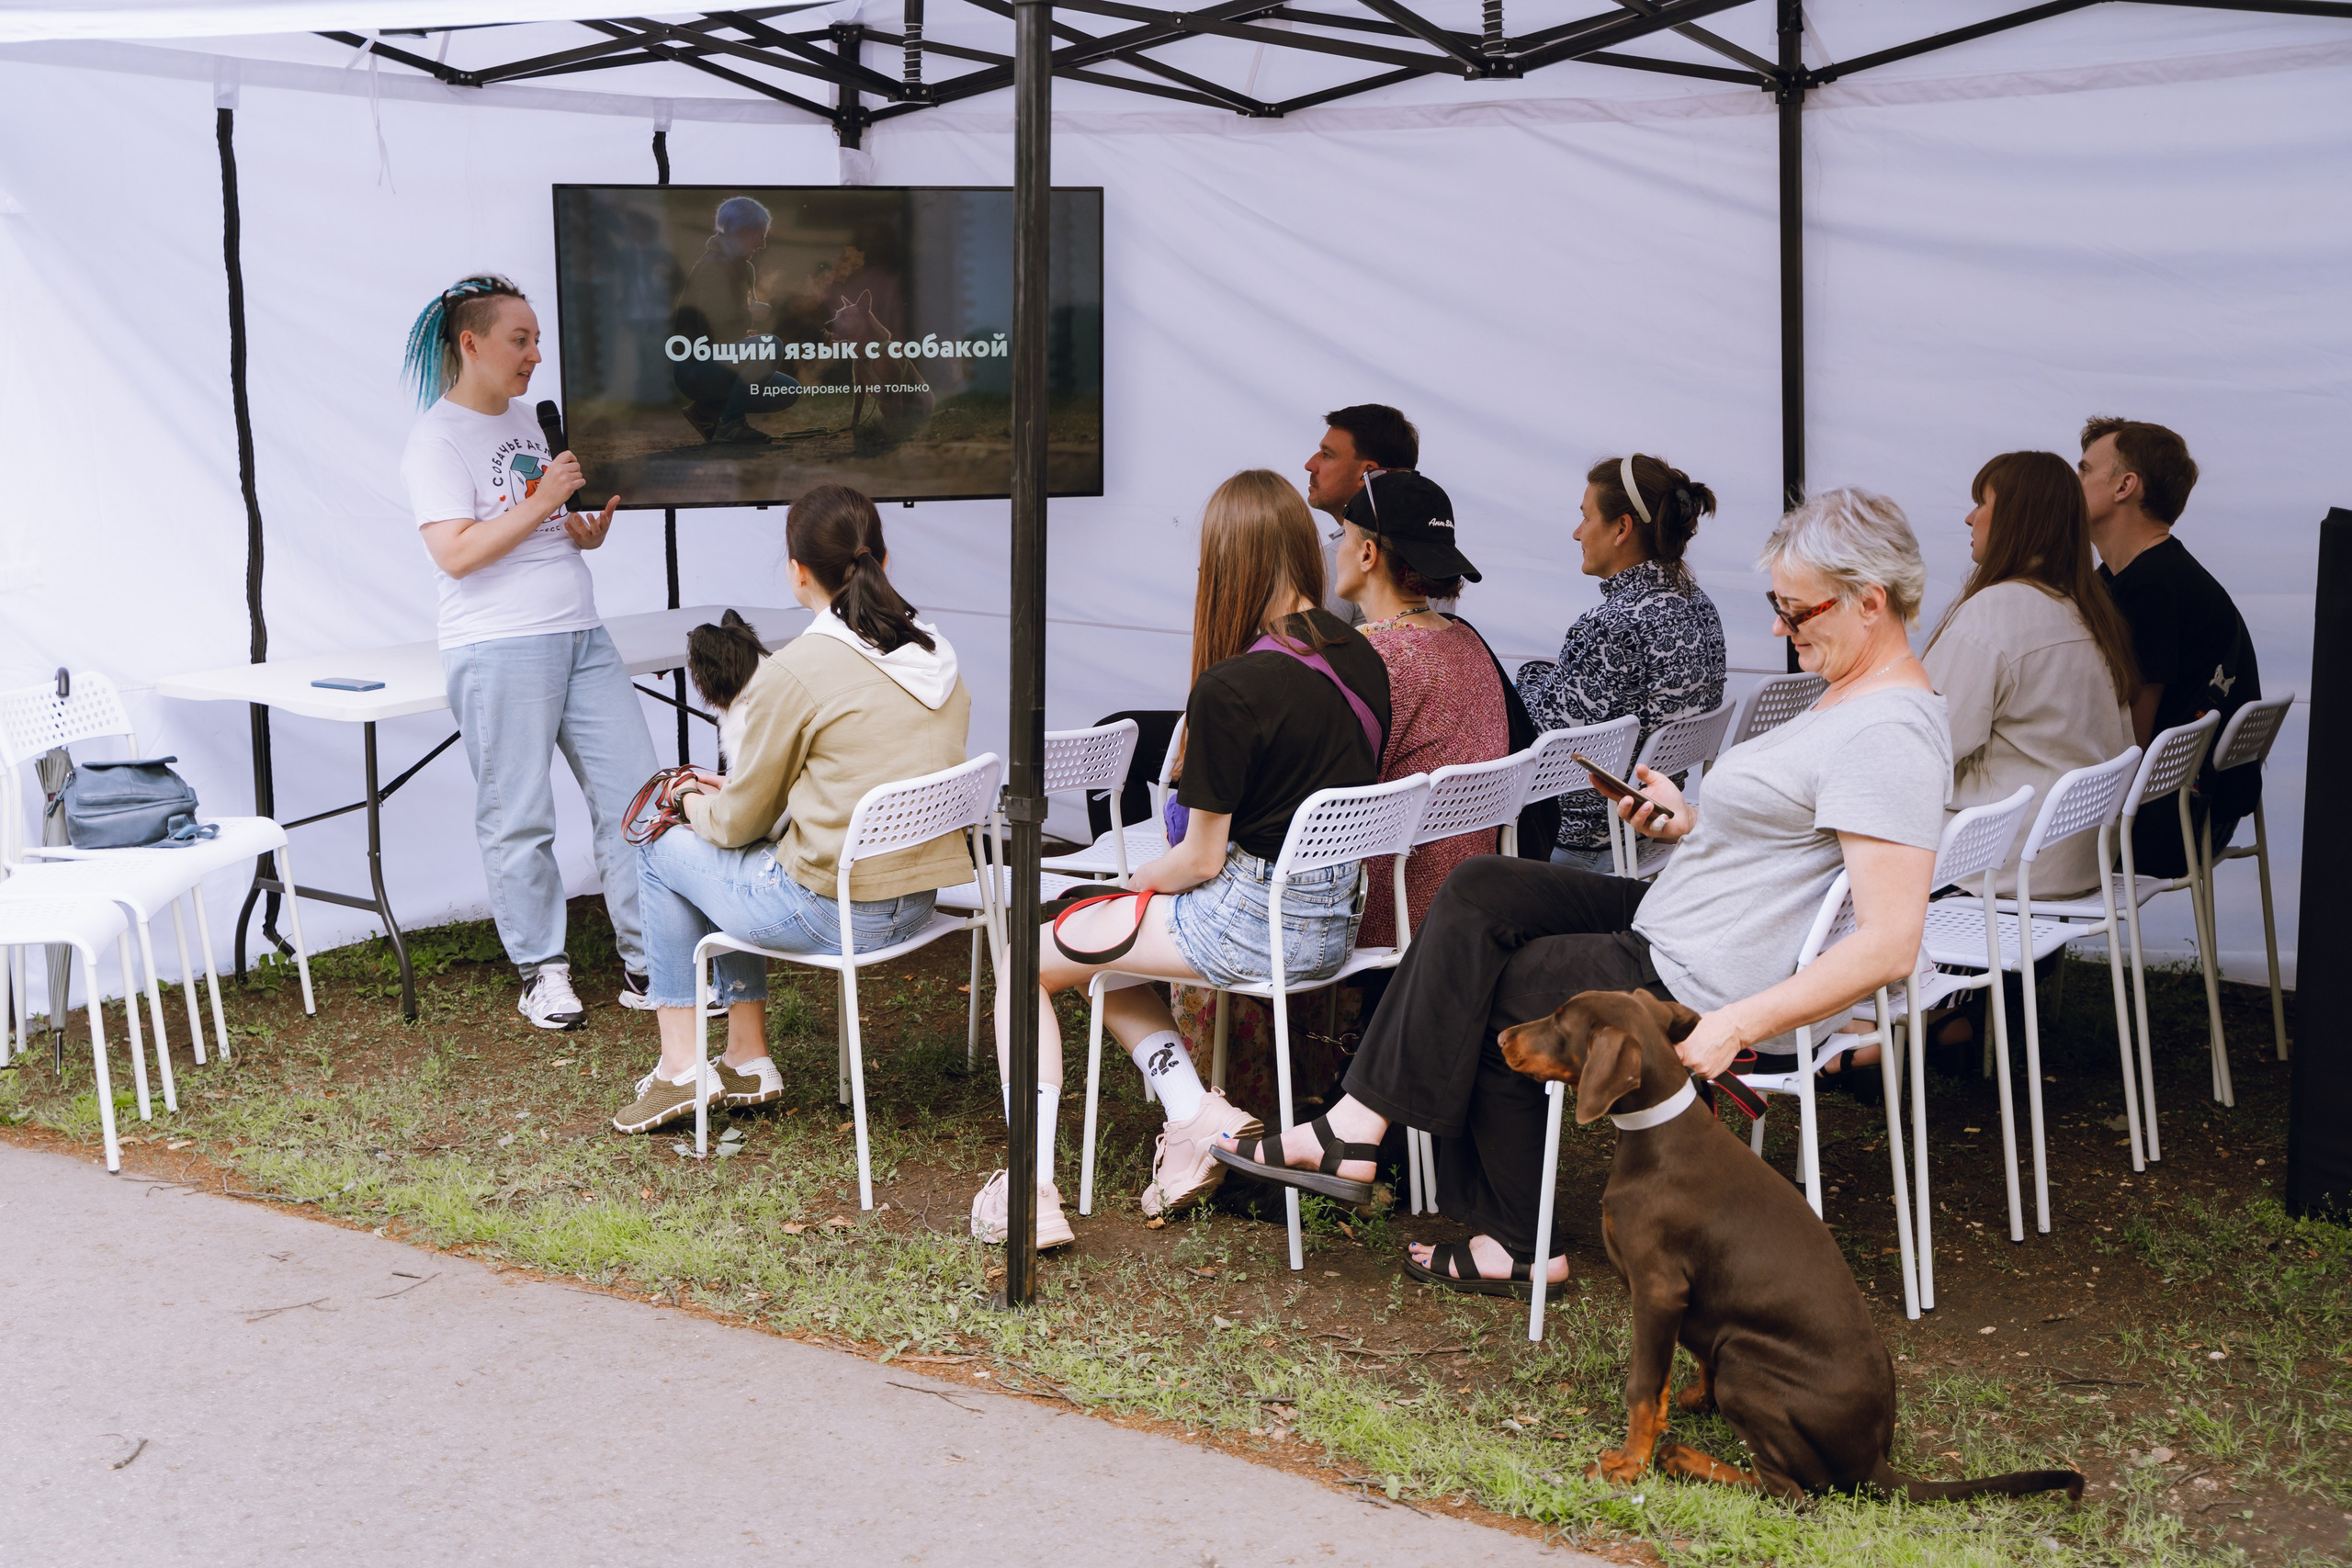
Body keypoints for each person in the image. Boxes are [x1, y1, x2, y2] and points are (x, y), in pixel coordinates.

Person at [1213, 488, 1949, 1293]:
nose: (1779, 627)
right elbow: (1798, 844)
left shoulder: (1890, 733)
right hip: (1677, 915)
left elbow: (1890, 941)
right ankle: (1359, 1125)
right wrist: (1690, 821)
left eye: (1796, 610)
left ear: (1870, 601)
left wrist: (1737, 1022)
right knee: (1478, 885)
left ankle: (1515, 1239)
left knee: (1501, 987)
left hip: (1699, 973)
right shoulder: (1848, 693)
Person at [984, 469, 1393, 1247]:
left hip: (1246, 920)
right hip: (1334, 923)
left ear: (1226, 563)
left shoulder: (1233, 685)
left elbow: (1201, 858)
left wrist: (1137, 884)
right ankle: (1194, 1115)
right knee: (1107, 945)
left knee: (1029, 958)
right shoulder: (1363, 658)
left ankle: (1028, 1183)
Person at [615, 485, 970, 1134]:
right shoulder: (936, 653)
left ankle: (679, 1068)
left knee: (664, 847)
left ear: (797, 570)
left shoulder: (801, 668)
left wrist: (688, 795)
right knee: (735, 850)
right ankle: (747, 1060)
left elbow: (736, 826)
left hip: (832, 913)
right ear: (883, 559)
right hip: (917, 901)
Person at [400, 274, 660, 1031]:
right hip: (499, 643)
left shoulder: (528, 420)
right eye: (522, 340)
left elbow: (538, 520)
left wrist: (577, 527)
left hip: (580, 627)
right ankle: (542, 970)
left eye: (538, 339)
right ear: (470, 344)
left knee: (636, 799)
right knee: (519, 814)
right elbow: (454, 553)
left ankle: (651, 962)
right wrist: (544, 501)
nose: (536, 355)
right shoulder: (435, 440)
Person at [1925, 450, 2136, 897]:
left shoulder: (1992, 614)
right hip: (2075, 861)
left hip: (1993, 863)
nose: (1969, 518)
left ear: (2019, 521)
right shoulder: (2089, 611)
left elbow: (1926, 746)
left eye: (1983, 503)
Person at [1517, 454, 1726, 872]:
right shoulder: (1701, 606)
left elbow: (1539, 742)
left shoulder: (1612, 625)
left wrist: (1526, 680)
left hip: (1588, 845)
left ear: (1622, 528)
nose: (1577, 533)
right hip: (1658, 831)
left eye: (1586, 517)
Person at [1328, 468, 1510, 946]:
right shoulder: (1465, 639)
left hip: (1389, 910)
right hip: (1471, 898)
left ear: (1367, 554)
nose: (1337, 551)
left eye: (1342, 537)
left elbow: (1327, 799)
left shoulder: (1374, 659)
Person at [2078, 416, 2262, 879]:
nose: (2072, 482)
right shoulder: (2137, 575)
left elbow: (2130, 746)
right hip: (2196, 812)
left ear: (2125, 486)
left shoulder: (2153, 589)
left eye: (2083, 470)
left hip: (2170, 823)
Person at [671, 196, 797, 445]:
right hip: (694, 367)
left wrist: (741, 333)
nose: (762, 244)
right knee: (772, 345)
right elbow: (714, 325)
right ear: (742, 231)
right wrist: (752, 314)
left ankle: (705, 412)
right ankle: (731, 423)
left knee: (788, 390)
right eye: (760, 234)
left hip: (715, 360)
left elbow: (726, 329)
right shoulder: (713, 266)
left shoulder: (743, 267)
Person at [1306, 404, 1418, 621]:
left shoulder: (1335, 561)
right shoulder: (1434, 557)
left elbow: (1306, 653)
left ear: (1368, 473)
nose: (1310, 465)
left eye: (1327, 455)